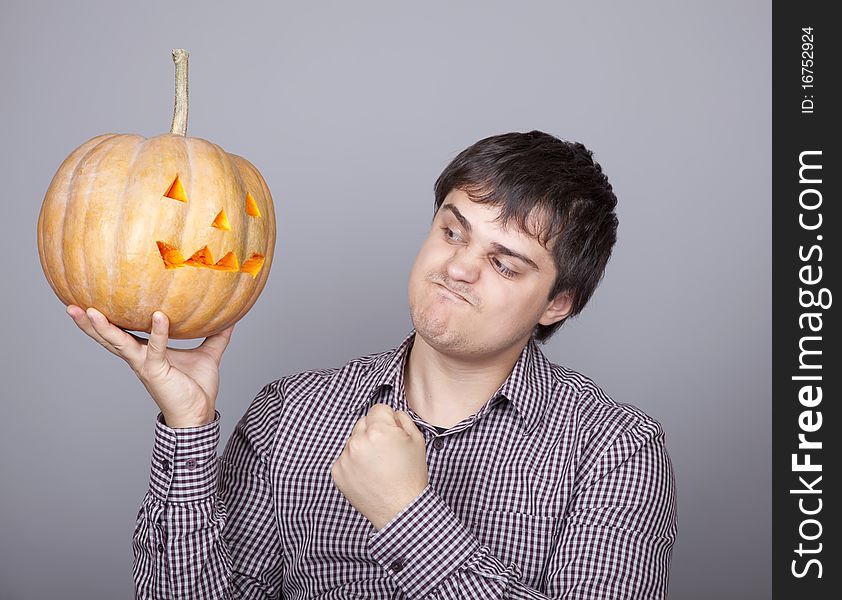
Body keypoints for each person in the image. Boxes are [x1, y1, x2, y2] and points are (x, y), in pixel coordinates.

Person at [68, 130, 677, 599]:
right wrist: (188, 429)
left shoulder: (615, 451)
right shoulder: (289, 416)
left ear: (558, 303)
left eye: (504, 264)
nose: (458, 267)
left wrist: (406, 513)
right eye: (453, 232)